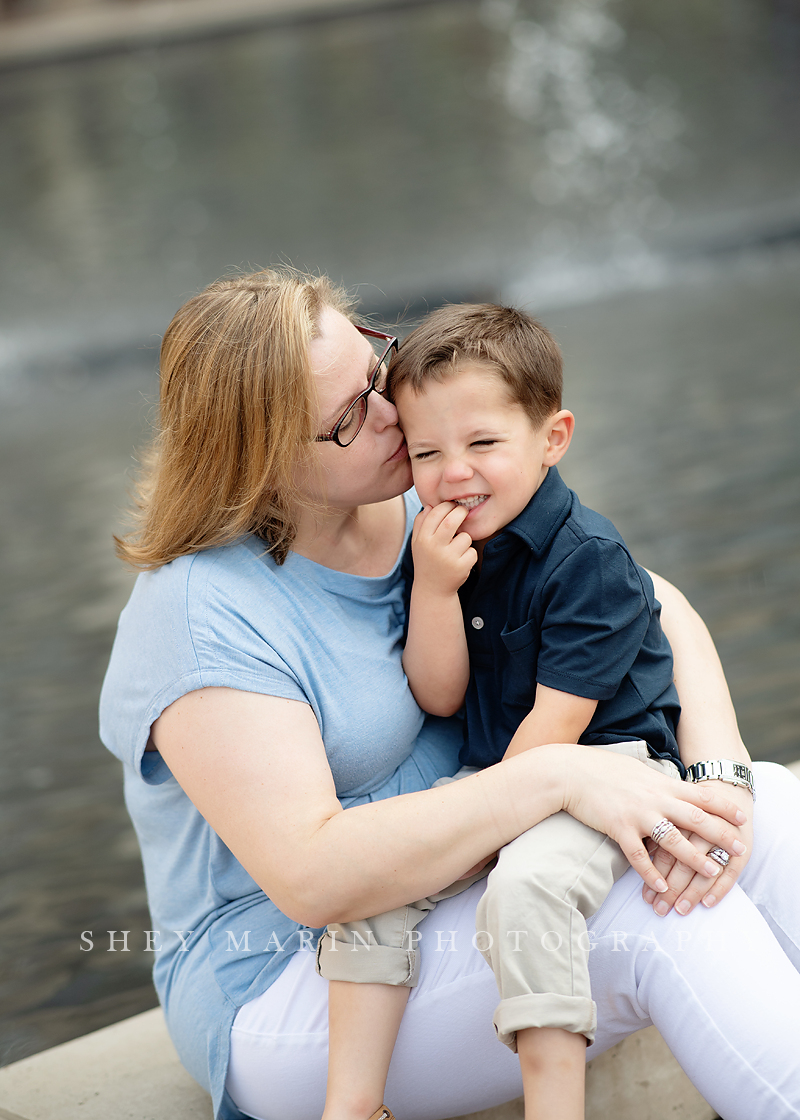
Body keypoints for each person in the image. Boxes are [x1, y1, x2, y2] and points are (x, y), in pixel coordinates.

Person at [99, 268, 800, 1120]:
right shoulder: (201, 613)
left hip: (471, 869)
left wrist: (720, 773)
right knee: (658, 917)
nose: (399, 414)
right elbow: (314, 880)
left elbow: (646, 606)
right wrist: (559, 777)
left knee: (772, 811)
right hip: (301, 975)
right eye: (353, 415)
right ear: (262, 459)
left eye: (373, 368)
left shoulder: (423, 504)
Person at [314, 302, 733, 1120]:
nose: (453, 472)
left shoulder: (591, 563)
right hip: (508, 773)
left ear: (552, 437)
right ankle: (353, 1103)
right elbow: (438, 693)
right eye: (428, 451)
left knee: (528, 891)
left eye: (483, 444)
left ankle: (555, 1103)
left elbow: (555, 739)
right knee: (376, 879)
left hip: (602, 766)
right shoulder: (446, 545)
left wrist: (465, 833)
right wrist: (434, 586)